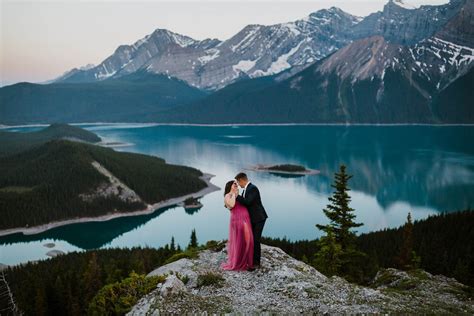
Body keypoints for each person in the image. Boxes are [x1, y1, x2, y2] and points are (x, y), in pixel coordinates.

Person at [235, 172, 268, 269]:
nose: (238, 184)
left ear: (241, 180)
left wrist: (237, 196)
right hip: (253, 219)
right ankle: (251, 260)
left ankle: (256, 263)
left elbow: (248, 202)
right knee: (251, 239)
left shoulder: (252, 188)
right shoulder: (246, 190)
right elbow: (244, 204)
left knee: (256, 240)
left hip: (259, 218)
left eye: (238, 182)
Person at [221, 180, 254, 271]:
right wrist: (234, 194)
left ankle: (248, 262)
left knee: (248, 240)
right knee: (242, 240)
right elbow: (231, 205)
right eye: (234, 183)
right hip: (238, 220)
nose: (236, 184)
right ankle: (240, 263)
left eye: (237, 183)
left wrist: (237, 195)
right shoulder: (228, 196)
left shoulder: (239, 194)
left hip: (245, 218)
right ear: (230, 186)